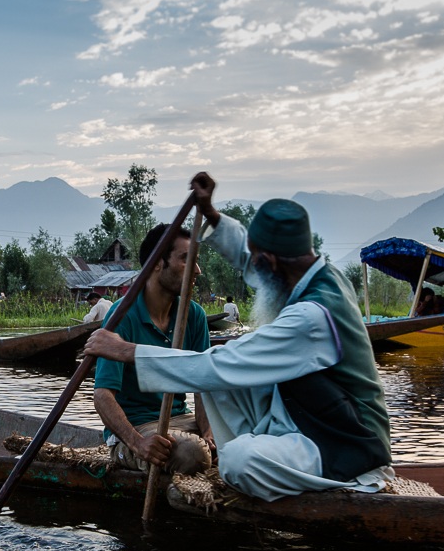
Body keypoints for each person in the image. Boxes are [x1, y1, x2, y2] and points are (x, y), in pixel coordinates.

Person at [85, 172, 392, 501]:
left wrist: (130, 352)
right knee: (224, 392)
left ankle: (340, 481)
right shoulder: (318, 275)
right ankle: (271, 448)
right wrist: (212, 214)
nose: (251, 269)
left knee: (235, 460)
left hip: (345, 442)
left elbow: (221, 366)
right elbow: (104, 394)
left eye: (259, 263)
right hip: (317, 417)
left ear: (272, 262)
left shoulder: (310, 316)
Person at [92, 223, 214, 475]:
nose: (198, 270)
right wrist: (137, 443)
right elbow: (102, 396)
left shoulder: (193, 315)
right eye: (185, 259)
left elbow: (203, 386)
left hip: (182, 421)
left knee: (245, 440)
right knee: (191, 454)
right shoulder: (122, 315)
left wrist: (210, 431)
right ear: (158, 263)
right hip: (140, 428)